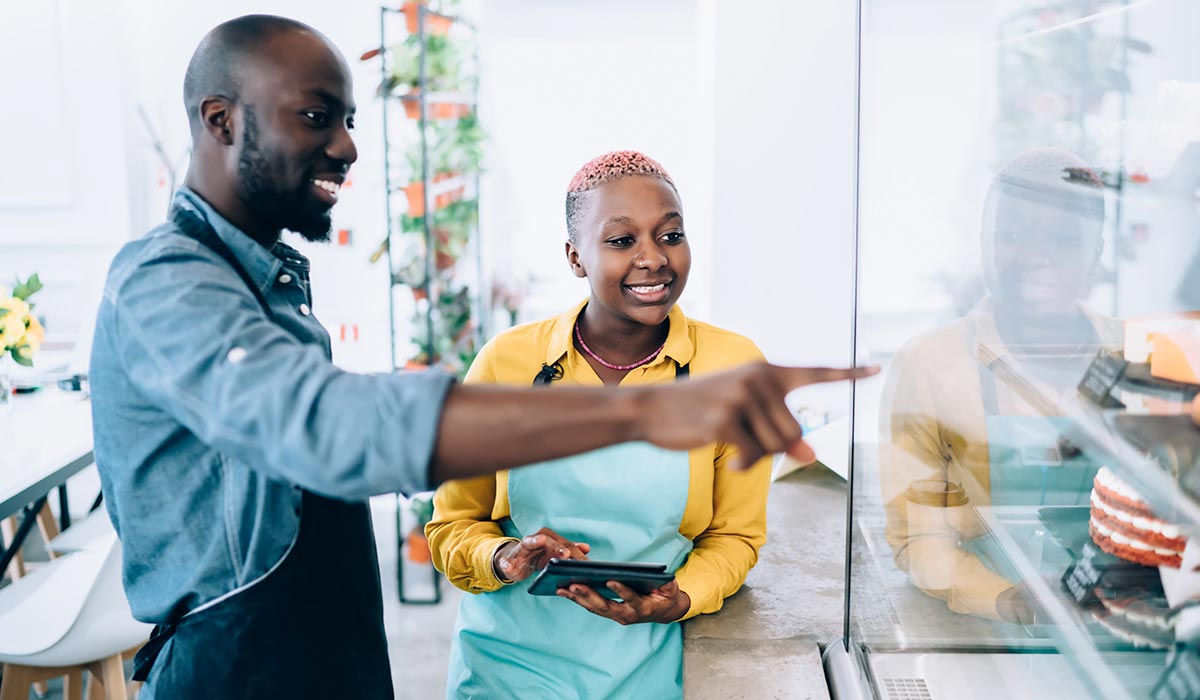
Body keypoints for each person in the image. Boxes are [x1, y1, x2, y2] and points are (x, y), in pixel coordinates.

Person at [88, 15, 875, 700]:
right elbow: (322, 426)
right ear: (222, 120)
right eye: (318, 116)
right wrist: (640, 409)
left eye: (349, 118)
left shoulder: (268, 288)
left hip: (324, 650)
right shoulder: (166, 282)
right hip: (238, 670)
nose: (350, 146)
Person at [426, 151, 770, 699]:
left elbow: (735, 536)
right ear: (575, 257)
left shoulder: (733, 369)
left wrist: (681, 596)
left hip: (647, 668)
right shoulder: (505, 363)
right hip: (505, 670)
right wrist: (501, 556)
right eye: (621, 241)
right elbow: (451, 525)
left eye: (671, 235)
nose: (653, 259)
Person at [879, 147, 1120, 623]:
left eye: (1065, 239)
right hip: (984, 632)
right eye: (1012, 234)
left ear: (1096, 254)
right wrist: (1008, 599)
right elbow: (919, 541)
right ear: (984, 243)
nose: (1036, 257)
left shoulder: (1136, 357)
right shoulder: (929, 365)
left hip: (1124, 630)